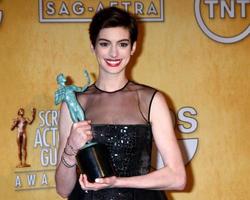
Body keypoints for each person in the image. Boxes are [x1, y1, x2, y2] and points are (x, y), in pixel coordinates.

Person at [55, 7, 186, 200]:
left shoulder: (151, 100)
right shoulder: (74, 104)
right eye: (105, 44)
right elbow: (63, 190)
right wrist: (71, 148)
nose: (114, 53)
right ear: (93, 46)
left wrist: (117, 181)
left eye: (122, 44)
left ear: (133, 48)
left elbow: (177, 177)